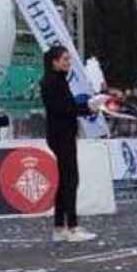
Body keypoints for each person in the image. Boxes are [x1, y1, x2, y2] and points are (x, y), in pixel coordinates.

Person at [39, 45, 97, 243]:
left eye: (68, 59)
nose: (68, 63)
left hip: (63, 133)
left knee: (66, 180)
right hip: (60, 134)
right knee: (71, 179)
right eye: (64, 59)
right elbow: (63, 108)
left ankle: (59, 227)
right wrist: (88, 106)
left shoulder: (58, 80)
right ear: (54, 61)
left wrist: (87, 107)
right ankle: (72, 227)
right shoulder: (51, 82)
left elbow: (67, 107)